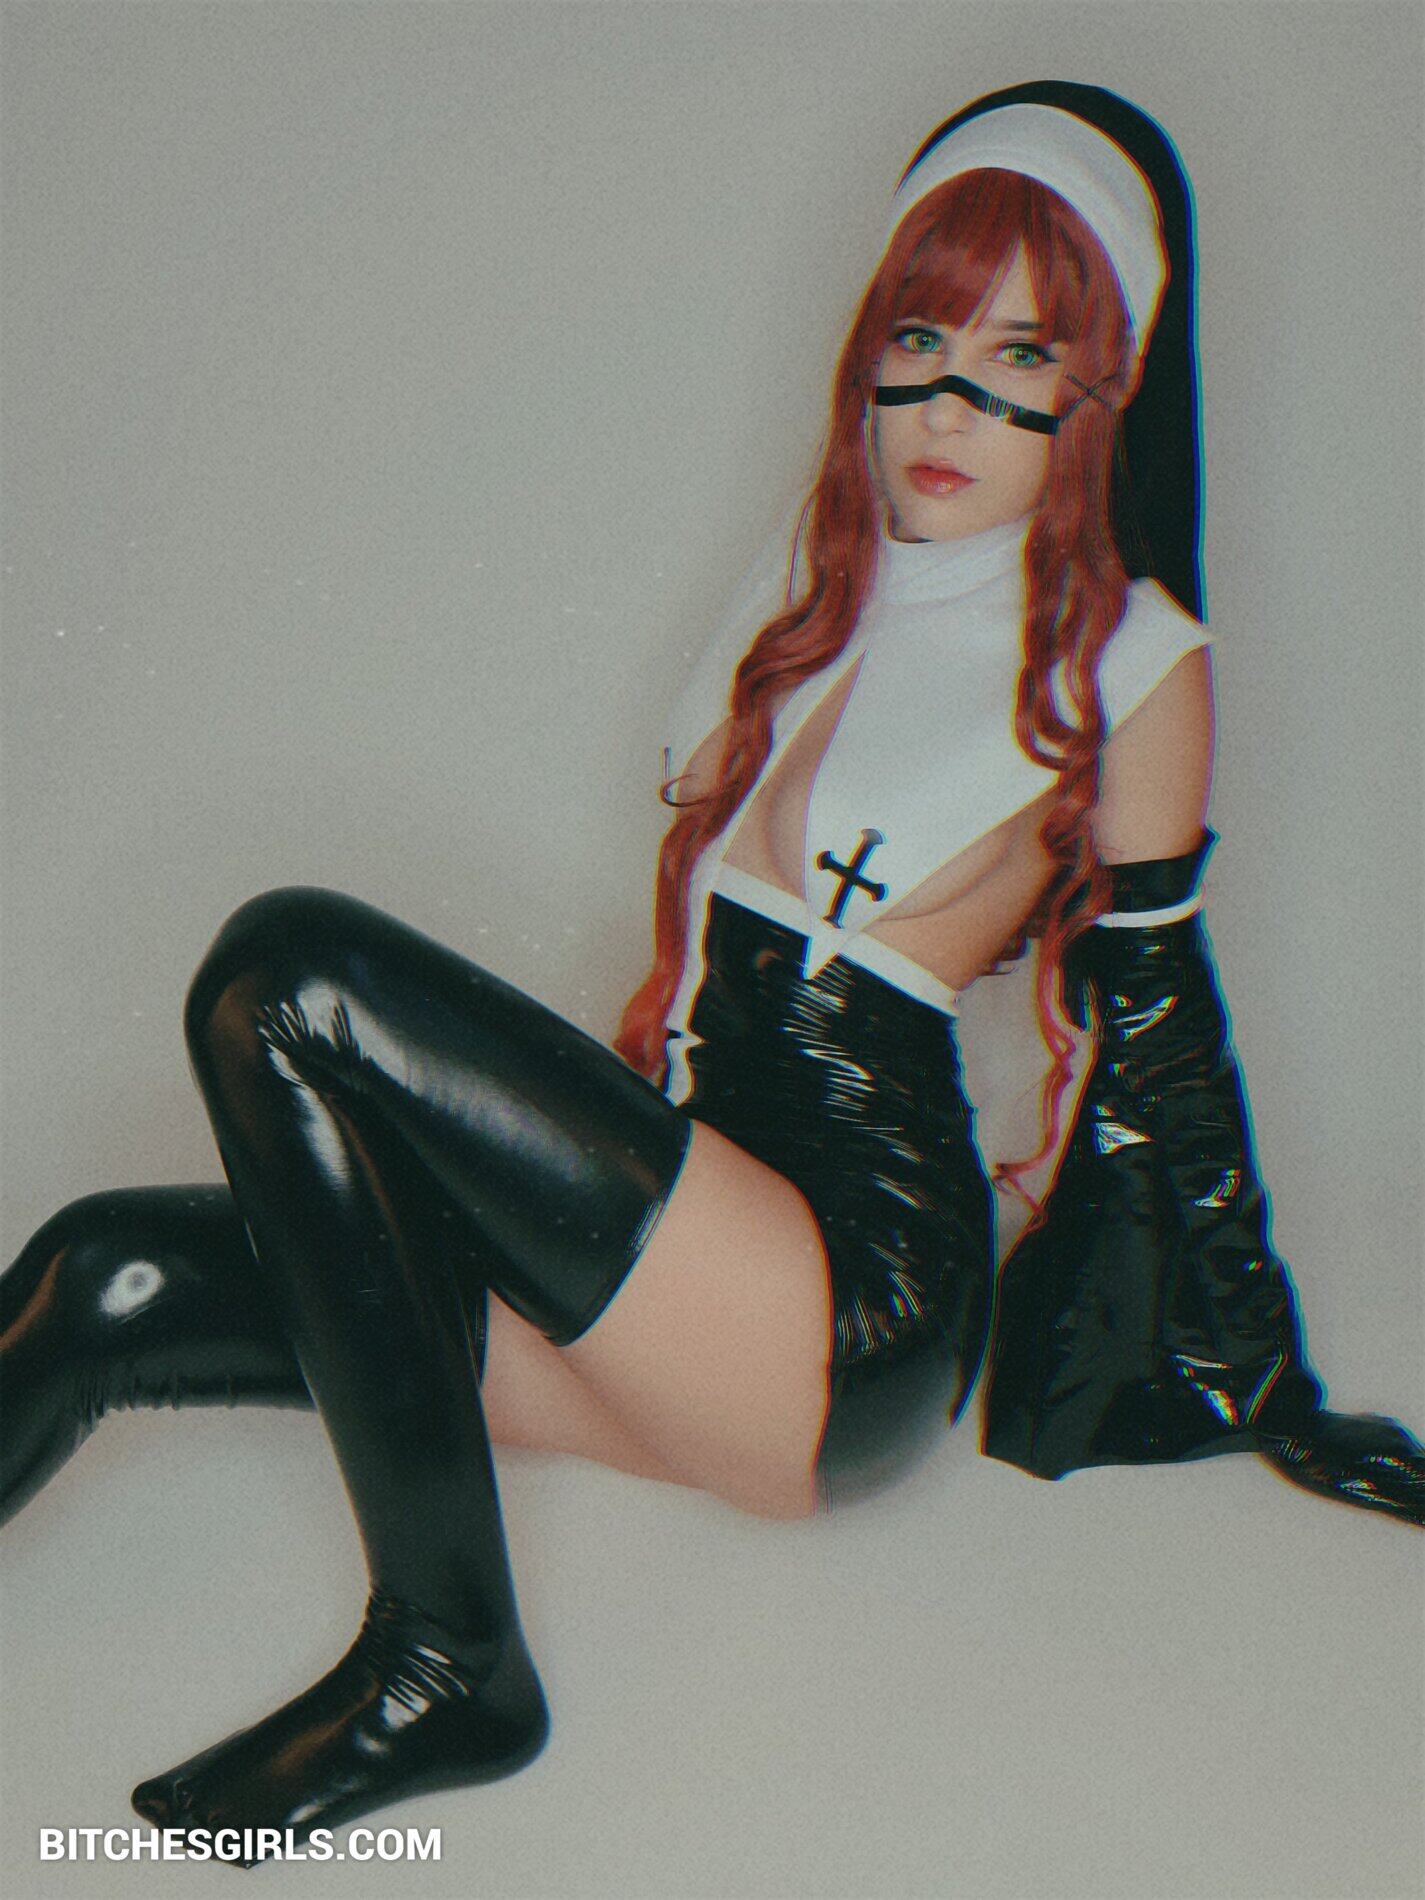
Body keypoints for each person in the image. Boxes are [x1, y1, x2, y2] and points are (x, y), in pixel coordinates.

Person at [2, 80, 1420, 1866]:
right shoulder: (816, 584)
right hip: (661, 1265)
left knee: (291, 978)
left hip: (837, 1310)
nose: (951, 402)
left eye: (1021, 357)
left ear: (1099, 392)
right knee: (105, 1274)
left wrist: (1243, 1374)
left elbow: (1161, 1042)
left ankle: (448, 1662)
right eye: (919, 340)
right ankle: (442, 1651)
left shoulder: (1131, 656)